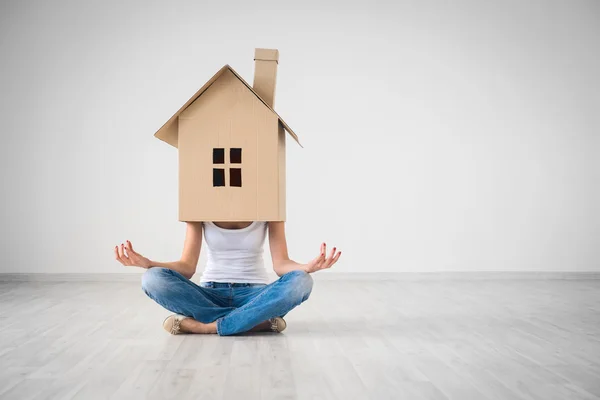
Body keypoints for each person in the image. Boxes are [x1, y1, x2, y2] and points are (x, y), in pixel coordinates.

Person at [114, 221, 341, 336]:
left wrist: (307, 267)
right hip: (210, 293)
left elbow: (281, 264)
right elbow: (186, 267)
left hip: (256, 294)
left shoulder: (268, 203)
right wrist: (148, 263)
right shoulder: (199, 206)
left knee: (302, 281)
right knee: (152, 278)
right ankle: (254, 322)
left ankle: (206, 327)